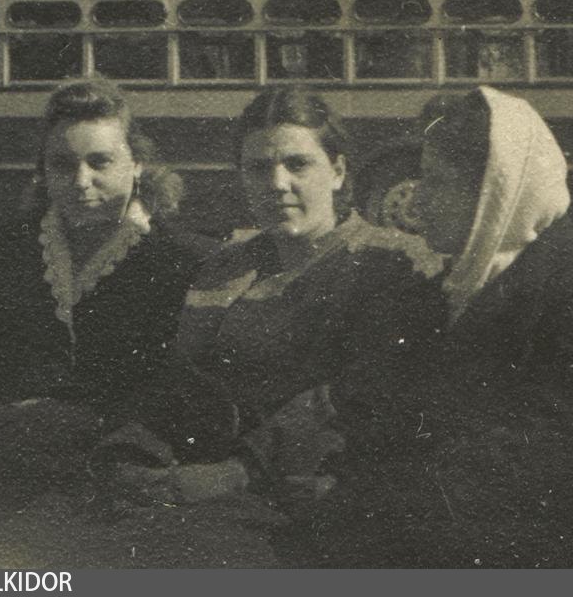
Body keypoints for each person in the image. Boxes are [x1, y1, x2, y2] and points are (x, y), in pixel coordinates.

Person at [0, 78, 210, 566]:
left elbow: (185, 390)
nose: (81, 181)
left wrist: (91, 423)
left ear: (137, 164)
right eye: (63, 165)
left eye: (100, 162)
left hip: (107, 481)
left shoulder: (183, 261)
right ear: (42, 172)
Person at [307, 86, 573, 567]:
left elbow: (552, 447)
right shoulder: (445, 286)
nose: (419, 200)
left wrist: (375, 494)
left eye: (438, 181)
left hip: (540, 546)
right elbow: (373, 405)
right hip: (433, 531)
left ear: (497, 191)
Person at [98, 87, 446, 505]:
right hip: (197, 484)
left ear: (337, 171)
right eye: (258, 169)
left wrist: (237, 472)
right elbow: (180, 380)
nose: (277, 184)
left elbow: (359, 392)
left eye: (298, 164)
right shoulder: (226, 266)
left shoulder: (390, 263)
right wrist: (129, 451)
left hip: (310, 490)